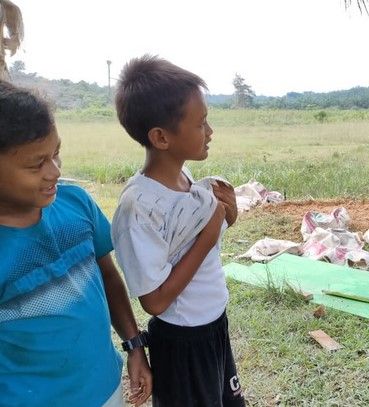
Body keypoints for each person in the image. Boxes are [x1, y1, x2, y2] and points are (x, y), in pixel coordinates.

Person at [0, 81, 151, 406]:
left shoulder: (77, 205)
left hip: (107, 387)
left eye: (56, 154)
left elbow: (109, 277)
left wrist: (134, 344)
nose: (54, 171)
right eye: (35, 164)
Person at [111, 55, 244, 407]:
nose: (210, 132)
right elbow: (154, 301)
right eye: (201, 123)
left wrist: (226, 215)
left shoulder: (188, 184)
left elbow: (201, 245)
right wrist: (210, 230)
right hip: (184, 343)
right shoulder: (139, 207)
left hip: (214, 326)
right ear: (161, 137)